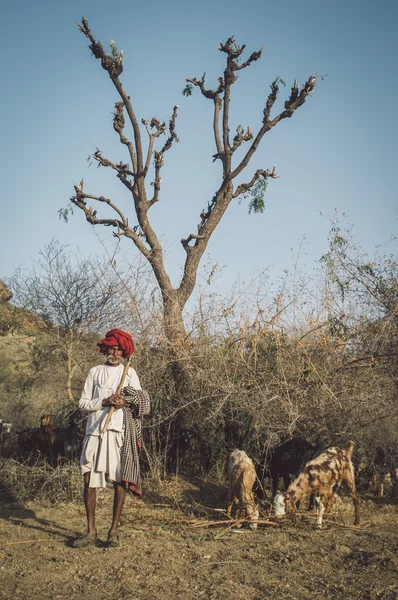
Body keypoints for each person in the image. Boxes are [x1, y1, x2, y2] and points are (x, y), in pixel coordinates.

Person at [73, 329, 150, 548]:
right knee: (88, 479)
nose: (114, 353)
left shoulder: (130, 373)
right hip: (94, 432)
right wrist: (105, 401)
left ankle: (113, 532)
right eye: (111, 348)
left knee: (119, 480)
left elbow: (140, 401)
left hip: (118, 432)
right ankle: (91, 532)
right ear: (105, 349)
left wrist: (123, 403)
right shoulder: (94, 372)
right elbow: (83, 403)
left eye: (118, 349)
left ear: (123, 352)